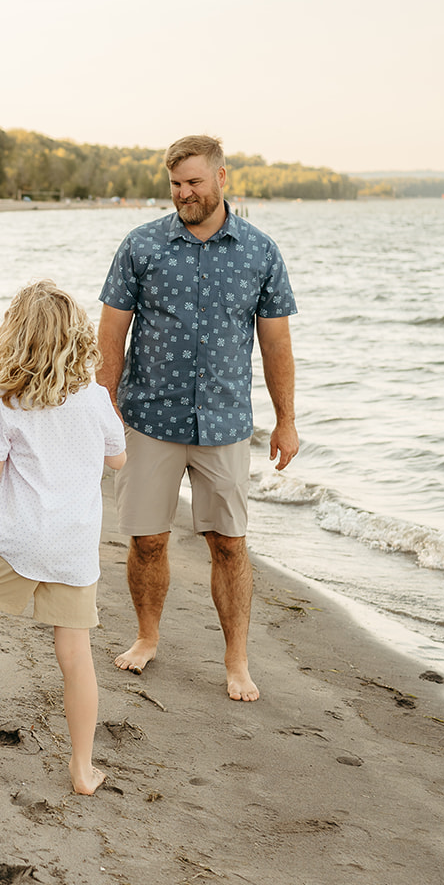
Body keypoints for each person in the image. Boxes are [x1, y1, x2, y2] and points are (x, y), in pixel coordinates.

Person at [97, 135, 298, 702]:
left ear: (222, 179)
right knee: (147, 541)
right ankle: (146, 638)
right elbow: (112, 329)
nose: (185, 193)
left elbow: (276, 342)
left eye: (194, 182)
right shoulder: (141, 245)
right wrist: (103, 403)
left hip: (225, 423)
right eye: (176, 185)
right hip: (147, 418)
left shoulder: (261, 252)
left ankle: (237, 660)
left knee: (230, 544)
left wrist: (286, 421)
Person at [0, 281, 126, 794]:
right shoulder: (96, 397)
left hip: (18, 539)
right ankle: (82, 769)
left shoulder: (7, 398)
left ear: (18, 336)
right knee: (75, 655)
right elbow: (118, 458)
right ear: (76, 339)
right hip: (73, 546)